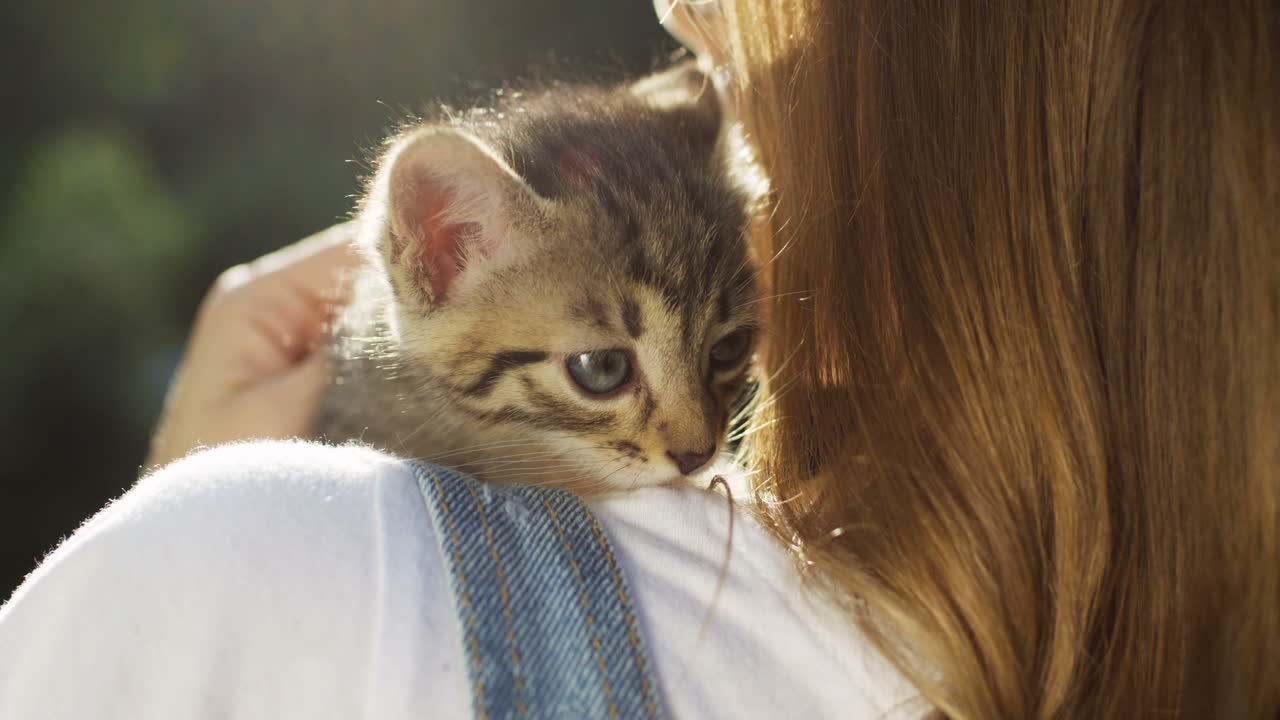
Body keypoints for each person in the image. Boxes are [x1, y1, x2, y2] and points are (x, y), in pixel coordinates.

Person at [2, 1, 1276, 718]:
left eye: (718, 356)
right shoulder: (1216, 625)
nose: (684, 443)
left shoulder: (252, 575)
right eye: (608, 373)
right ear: (435, 258)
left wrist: (197, 527)